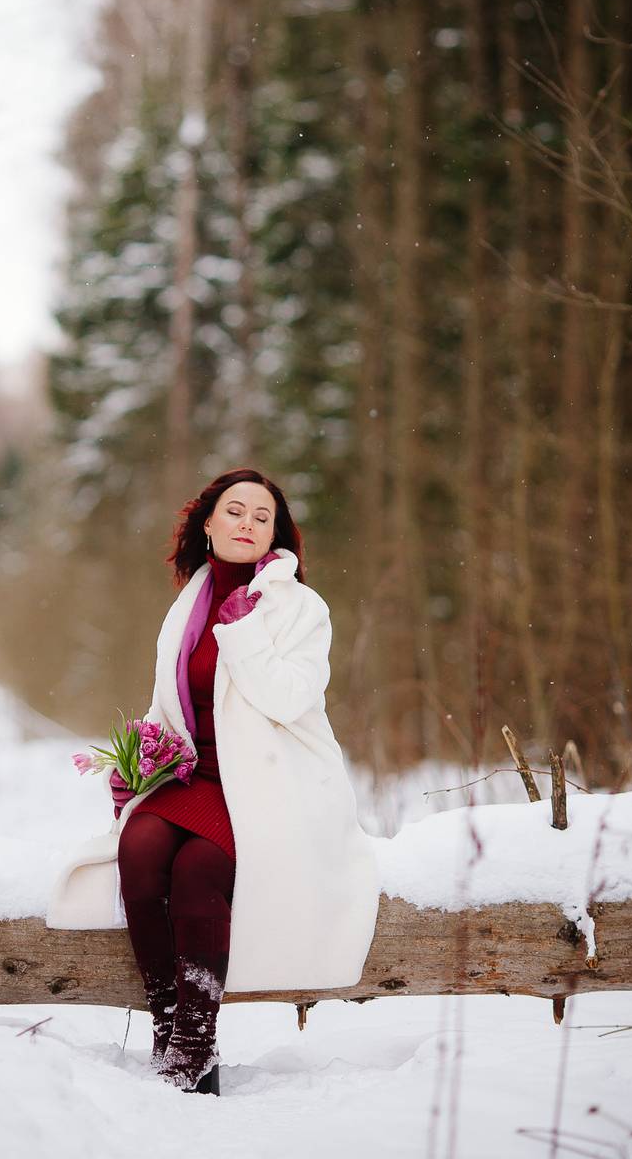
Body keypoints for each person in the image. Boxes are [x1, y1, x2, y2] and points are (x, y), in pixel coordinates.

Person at [45, 466, 382, 1098]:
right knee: (139, 849)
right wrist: (137, 765)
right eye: (235, 510)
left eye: (262, 516)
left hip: (268, 783)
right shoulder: (189, 602)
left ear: (276, 534)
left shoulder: (300, 608)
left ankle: (196, 1045)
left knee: (199, 869)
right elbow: (170, 702)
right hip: (194, 773)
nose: (247, 523)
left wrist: (244, 628)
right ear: (208, 523)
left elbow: (289, 698)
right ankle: (168, 1025)